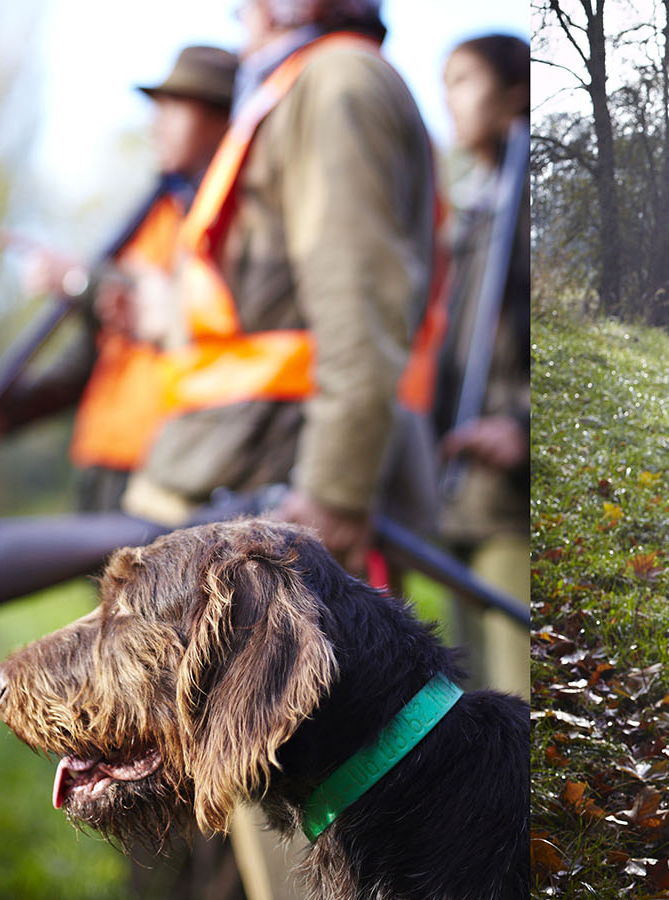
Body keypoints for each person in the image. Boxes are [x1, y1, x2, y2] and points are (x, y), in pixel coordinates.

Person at [121, 0, 436, 582]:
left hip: (284, 480)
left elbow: (358, 292)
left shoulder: (339, 78)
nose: (241, 21)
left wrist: (334, 488)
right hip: (242, 465)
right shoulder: (314, 82)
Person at [0, 46, 236, 513]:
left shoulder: (234, 221)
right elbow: (95, 354)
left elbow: (202, 319)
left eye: (176, 107)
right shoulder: (156, 215)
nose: (157, 123)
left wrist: (79, 280)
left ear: (224, 121)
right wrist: (2, 413)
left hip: (177, 474)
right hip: (107, 465)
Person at [429, 33, 531, 697]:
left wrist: (522, 424)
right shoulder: (477, 203)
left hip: (510, 497)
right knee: (474, 685)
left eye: (464, 80)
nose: (451, 100)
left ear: (517, 94)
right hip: (459, 486)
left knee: (516, 686)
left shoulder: (531, 204)